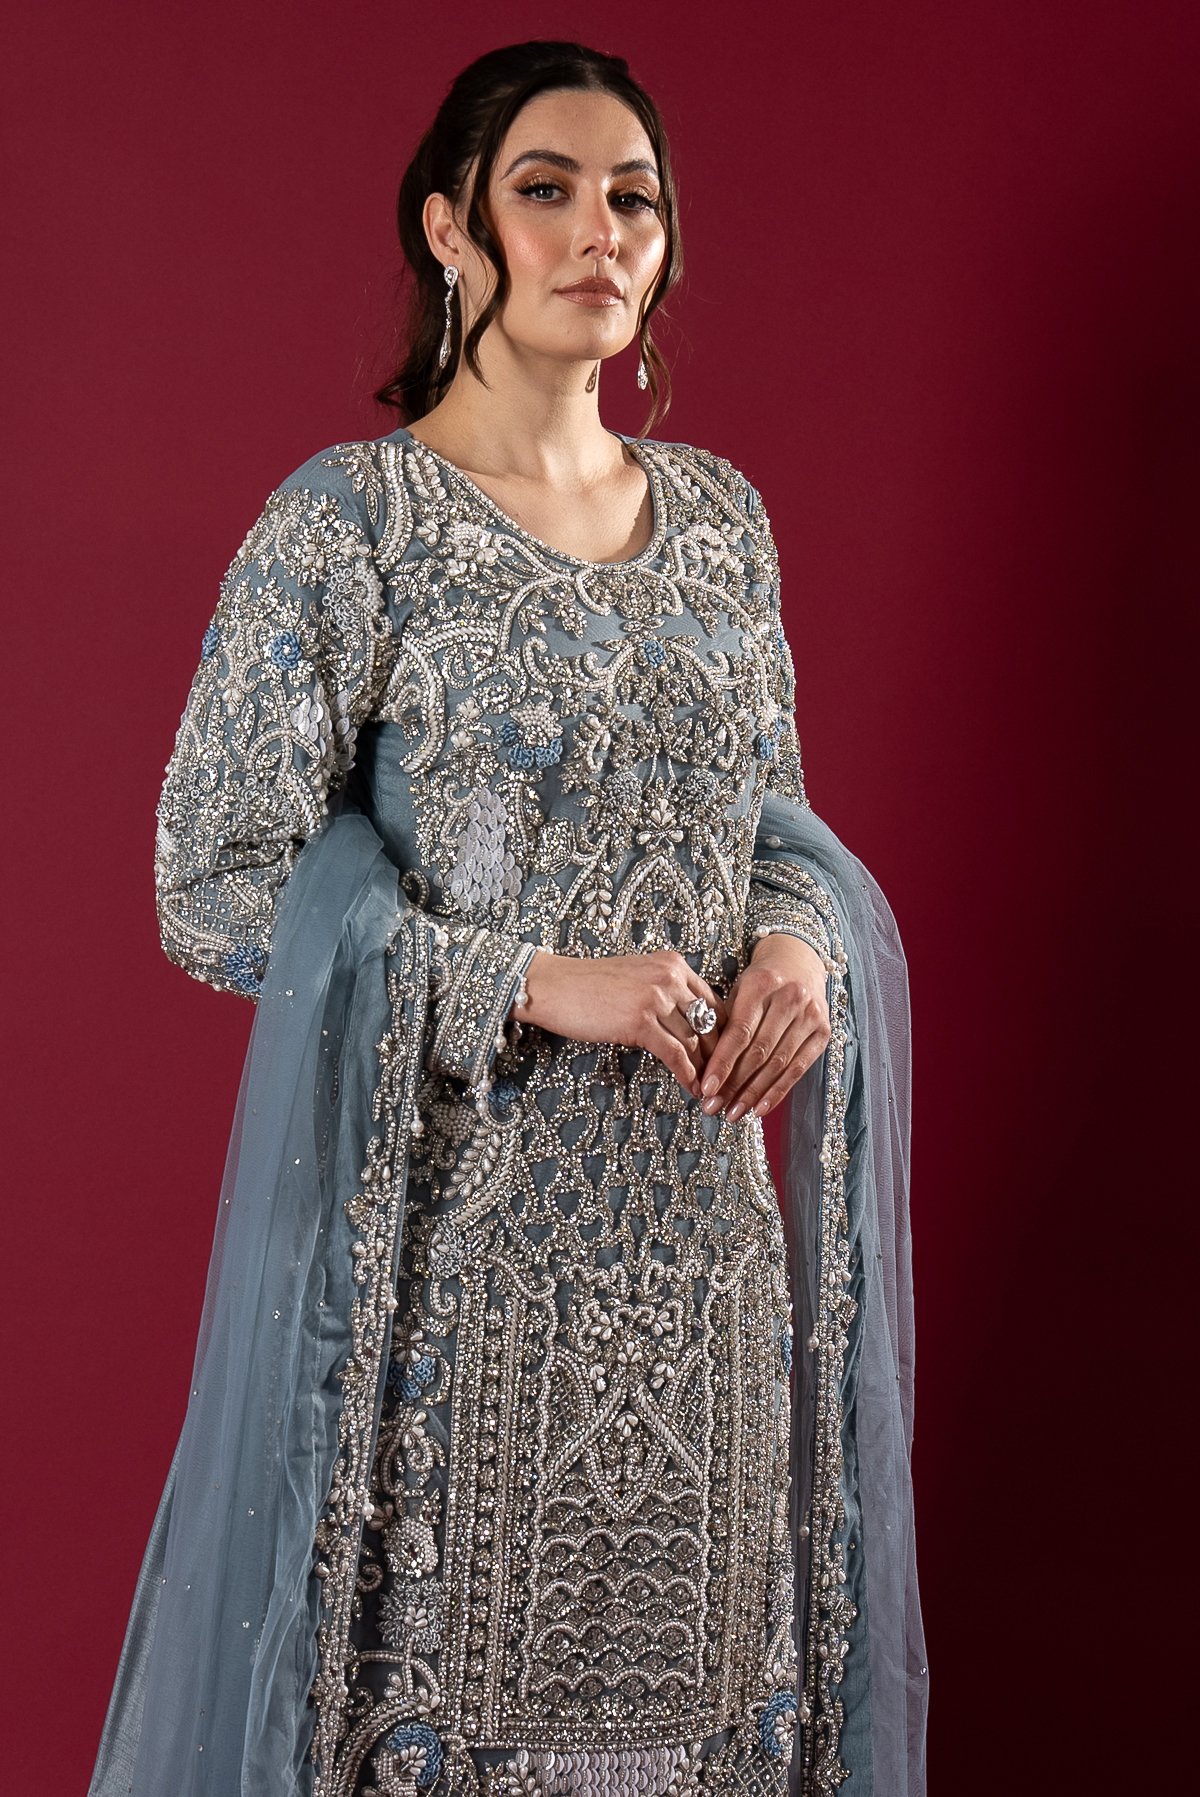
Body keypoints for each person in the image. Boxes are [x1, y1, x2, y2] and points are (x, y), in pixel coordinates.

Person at [89, 39, 927, 1797]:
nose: (599, 232)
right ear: (451, 229)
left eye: (636, 199)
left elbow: (773, 823)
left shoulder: (725, 527)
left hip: (707, 1278)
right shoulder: (350, 530)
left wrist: (801, 942)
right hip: (456, 1290)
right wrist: (536, 980)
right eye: (547, 189)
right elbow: (211, 883)